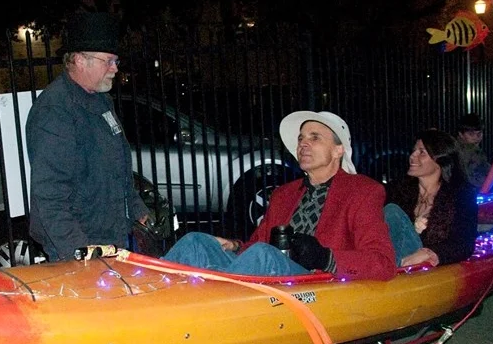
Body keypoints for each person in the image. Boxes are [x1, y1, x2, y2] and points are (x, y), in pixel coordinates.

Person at [25, 12, 149, 344]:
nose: (115, 67)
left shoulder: (101, 102)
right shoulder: (57, 112)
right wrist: (77, 249)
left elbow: (118, 165)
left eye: (115, 60)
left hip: (111, 230)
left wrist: (138, 208)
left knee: (111, 320)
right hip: (81, 238)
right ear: (77, 60)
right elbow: (50, 192)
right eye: (107, 60)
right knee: (93, 324)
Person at [162, 111, 396, 281]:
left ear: (338, 150)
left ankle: (213, 301)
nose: (303, 143)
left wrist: (325, 257)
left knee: (265, 255)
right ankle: (148, 300)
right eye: (301, 138)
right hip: (268, 276)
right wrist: (234, 246)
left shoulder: (363, 191)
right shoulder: (284, 194)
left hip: (315, 286)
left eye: (315, 138)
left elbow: (383, 264)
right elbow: (255, 246)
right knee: (197, 241)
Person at [384, 130, 478, 267]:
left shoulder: (461, 195)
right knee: (391, 211)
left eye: (421, 152)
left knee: (392, 211)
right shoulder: (398, 190)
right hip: (395, 258)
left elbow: (463, 243)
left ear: (440, 158)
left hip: (427, 266)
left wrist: (431, 253)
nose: (412, 156)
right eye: (414, 151)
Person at [455, 113, 491, 189]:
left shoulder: (475, 150)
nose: (476, 138)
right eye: (471, 134)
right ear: (461, 134)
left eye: (479, 134)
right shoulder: (462, 152)